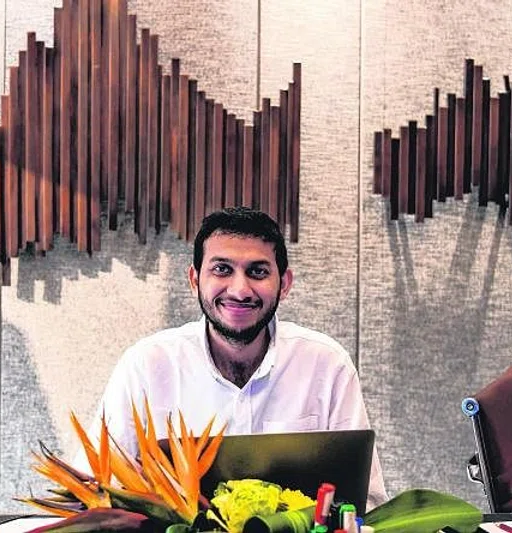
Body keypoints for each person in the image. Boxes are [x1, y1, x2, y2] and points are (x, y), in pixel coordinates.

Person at [80, 206, 387, 508]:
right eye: (222, 269)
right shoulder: (145, 366)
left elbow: (367, 504)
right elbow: (93, 495)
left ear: (284, 284)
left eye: (258, 272)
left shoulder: (327, 365)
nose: (240, 290)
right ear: (194, 280)